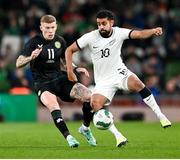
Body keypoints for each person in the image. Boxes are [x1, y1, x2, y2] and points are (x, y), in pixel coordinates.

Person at [65, 10, 171, 147]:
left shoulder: (119, 32)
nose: (101, 27)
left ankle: (160, 115)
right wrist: (69, 70)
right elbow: (69, 50)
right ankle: (118, 136)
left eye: (104, 23)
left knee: (137, 83)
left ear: (111, 23)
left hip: (119, 72)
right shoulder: (90, 37)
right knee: (95, 104)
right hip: (103, 81)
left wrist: (153, 31)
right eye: (98, 24)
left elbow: (138, 34)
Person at [16, 15, 97, 148]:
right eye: (47, 28)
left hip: (60, 79)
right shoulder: (33, 42)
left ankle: (85, 128)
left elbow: (65, 62)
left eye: (52, 27)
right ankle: (69, 137)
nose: (50, 31)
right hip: (42, 83)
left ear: (56, 27)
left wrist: (77, 68)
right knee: (54, 106)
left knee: (90, 96)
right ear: (41, 27)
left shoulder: (60, 40)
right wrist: (31, 57)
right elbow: (18, 63)